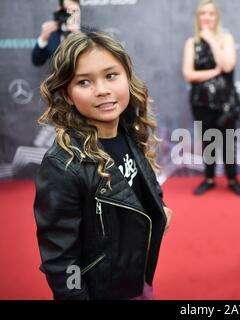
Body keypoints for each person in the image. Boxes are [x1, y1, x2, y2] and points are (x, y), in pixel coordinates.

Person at [34, 31, 173, 300]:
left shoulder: (129, 130)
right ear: (68, 94)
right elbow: (61, 263)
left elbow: (141, 190)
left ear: (127, 78)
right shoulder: (62, 165)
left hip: (135, 279)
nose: (102, 90)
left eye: (111, 76)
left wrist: (159, 210)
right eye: (85, 82)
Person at [183, 0, 240, 197]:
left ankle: (232, 179)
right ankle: (209, 179)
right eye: (203, 13)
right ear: (198, 17)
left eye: (211, 13)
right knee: (208, 142)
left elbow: (227, 66)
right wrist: (214, 71)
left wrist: (211, 40)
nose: (207, 17)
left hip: (226, 102)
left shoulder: (225, 38)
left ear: (216, 17)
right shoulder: (191, 43)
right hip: (200, 102)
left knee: (228, 143)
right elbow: (189, 74)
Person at [32, 0, 81, 66]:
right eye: (66, 10)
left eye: (74, 11)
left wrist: (79, 35)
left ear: (79, 12)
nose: (69, 14)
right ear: (59, 11)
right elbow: (37, 61)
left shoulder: (89, 34)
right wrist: (43, 38)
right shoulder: (51, 34)